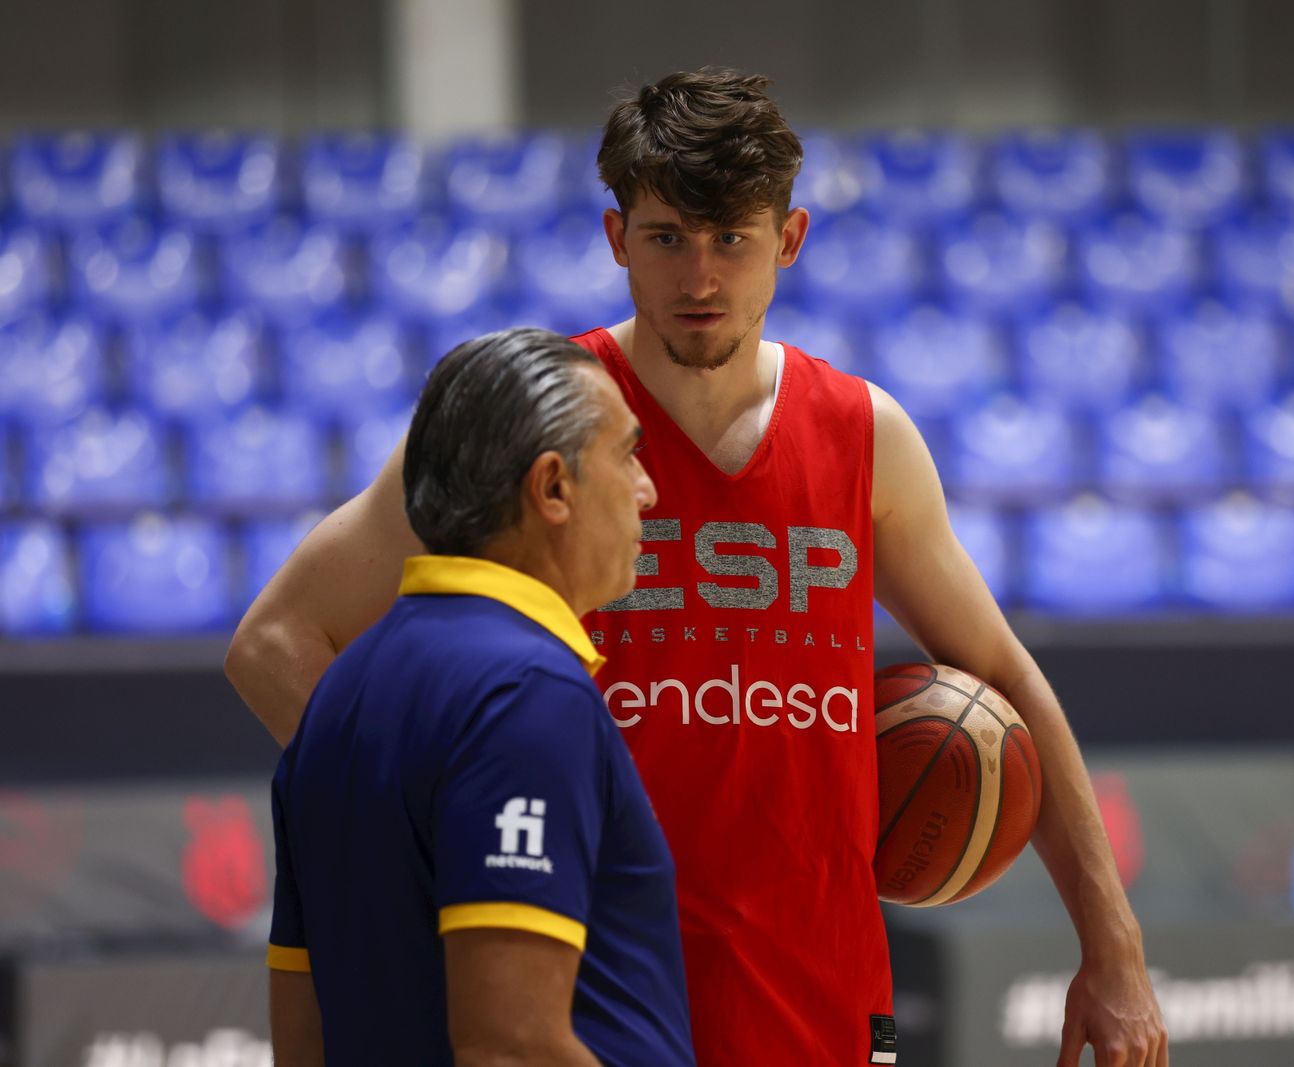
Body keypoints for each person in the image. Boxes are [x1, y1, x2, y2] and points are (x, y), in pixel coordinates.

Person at [233, 70, 1168, 1067]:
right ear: (616, 238)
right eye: (667, 237)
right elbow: (275, 641)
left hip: (820, 998)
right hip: (593, 1003)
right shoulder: (531, 425)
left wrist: (1114, 943)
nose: (701, 278)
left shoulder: (867, 434)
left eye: (732, 238)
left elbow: (1005, 677)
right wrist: (448, 827)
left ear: (789, 239)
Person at [266, 328, 693, 1067]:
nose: (646, 489)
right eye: (627, 455)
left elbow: (302, 1042)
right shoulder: (528, 694)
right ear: (553, 487)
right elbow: (511, 1046)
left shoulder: (341, 691)